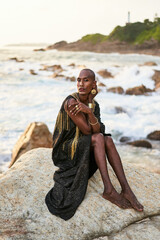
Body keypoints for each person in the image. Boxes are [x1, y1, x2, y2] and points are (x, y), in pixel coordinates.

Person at [45, 68, 144, 221]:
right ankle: (109, 189)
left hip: (81, 145)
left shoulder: (93, 104)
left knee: (108, 139)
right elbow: (87, 131)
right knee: (98, 138)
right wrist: (89, 113)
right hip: (66, 150)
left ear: (94, 84)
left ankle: (126, 189)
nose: (81, 84)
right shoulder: (72, 102)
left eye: (86, 80)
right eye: (79, 80)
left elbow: (98, 129)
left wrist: (90, 107)